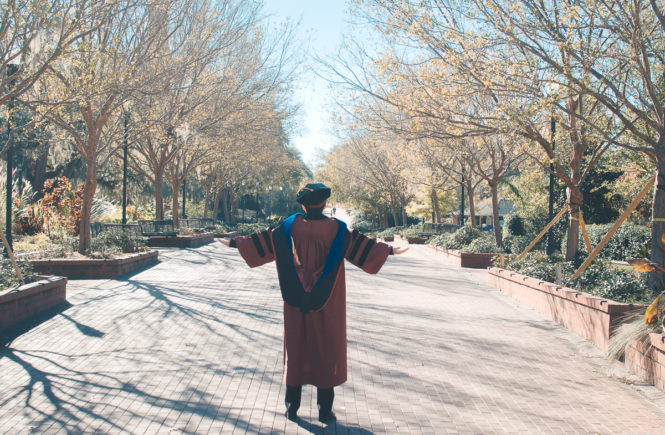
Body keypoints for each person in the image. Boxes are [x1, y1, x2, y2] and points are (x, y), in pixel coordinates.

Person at [218, 183, 408, 424]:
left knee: (295, 346)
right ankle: (324, 411)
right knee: (326, 350)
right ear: (325, 204)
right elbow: (362, 246)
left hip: (295, 301)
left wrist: (236, 243)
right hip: (329, 302)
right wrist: (389, 250)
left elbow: (265, 241)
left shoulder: (287, 228)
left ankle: (291, 407)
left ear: (303, 204)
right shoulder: (338, 230)